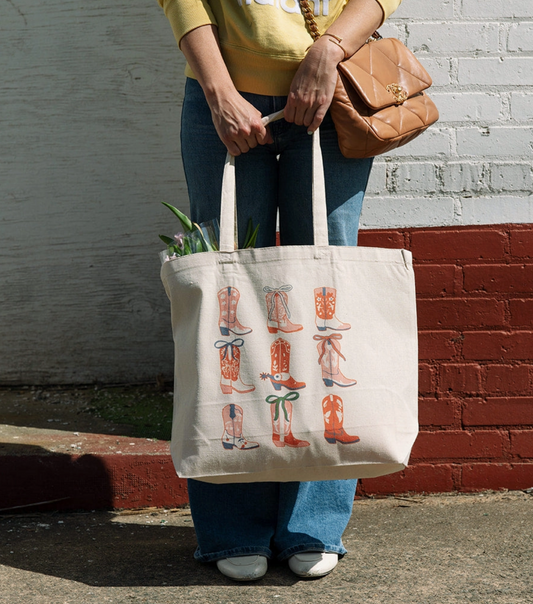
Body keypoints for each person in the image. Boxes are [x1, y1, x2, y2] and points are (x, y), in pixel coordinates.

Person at [157, 0, 403, 581]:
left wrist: (328, 50)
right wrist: (218, 93)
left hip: (333, 89)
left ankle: (314, 521)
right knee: (227, 313)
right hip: (225, 93)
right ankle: (231, 527)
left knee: (325, 315)